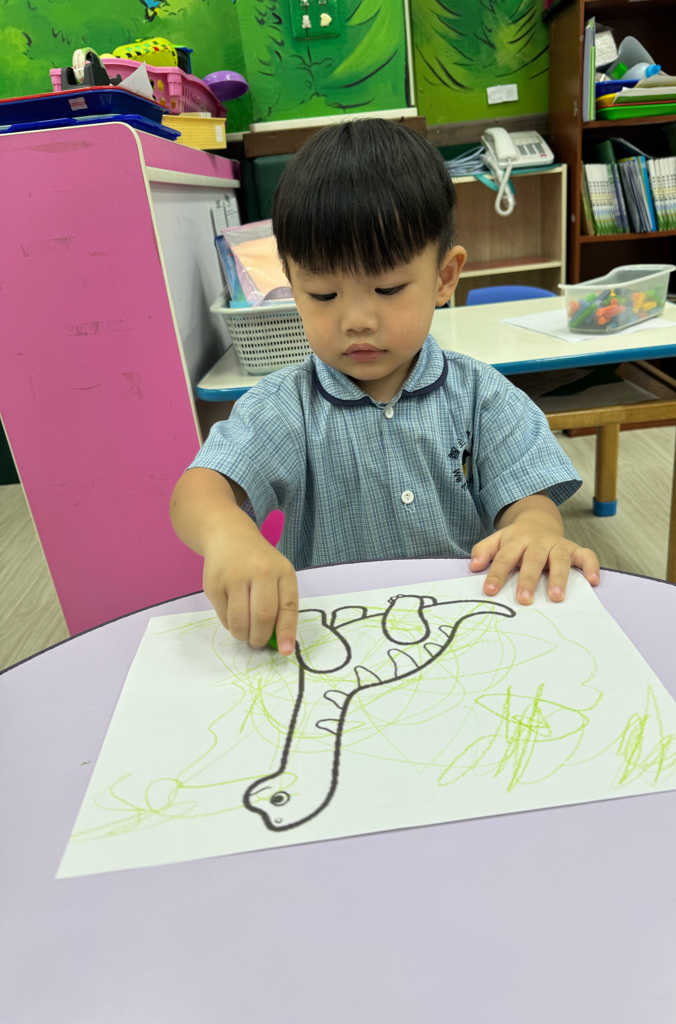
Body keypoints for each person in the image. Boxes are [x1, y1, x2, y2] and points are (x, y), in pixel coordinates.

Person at [170, 118, 599, 655]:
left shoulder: (481, 396)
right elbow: (198, 491)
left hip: (465, 629)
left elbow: (527, 502)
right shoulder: (286, 407)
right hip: (333, 641)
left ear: (444, 277)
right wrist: (227, 534)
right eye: (323, 295)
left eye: (389, 288)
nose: (357, 321)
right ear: (293, 288)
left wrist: (535, 528)